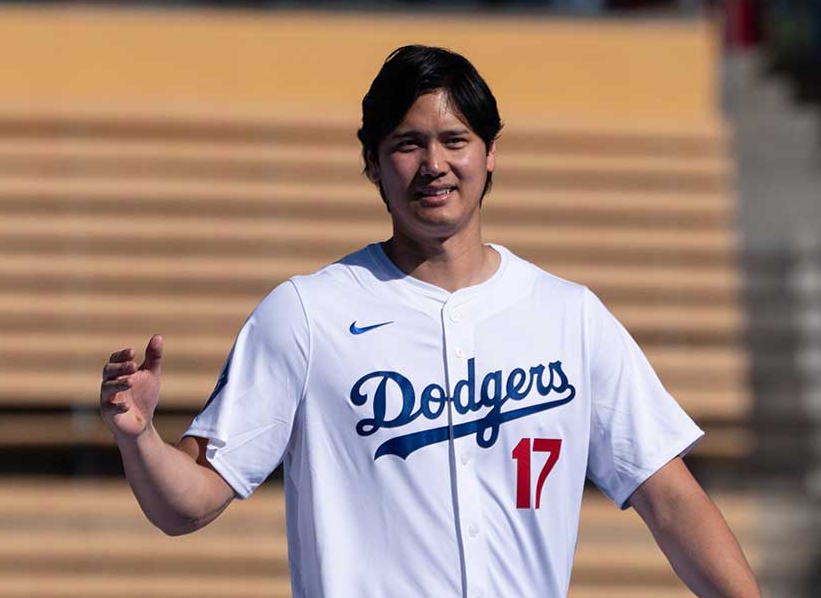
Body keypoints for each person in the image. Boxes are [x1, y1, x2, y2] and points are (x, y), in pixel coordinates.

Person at [99, 45, 761, 598]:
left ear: (490, 154)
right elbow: (188, 503)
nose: (434, 164)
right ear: (372, 163)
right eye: (408, 144)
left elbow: (672, 501)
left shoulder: (571, 317)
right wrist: (140, 440)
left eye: (455, 140)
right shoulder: (306, 315)